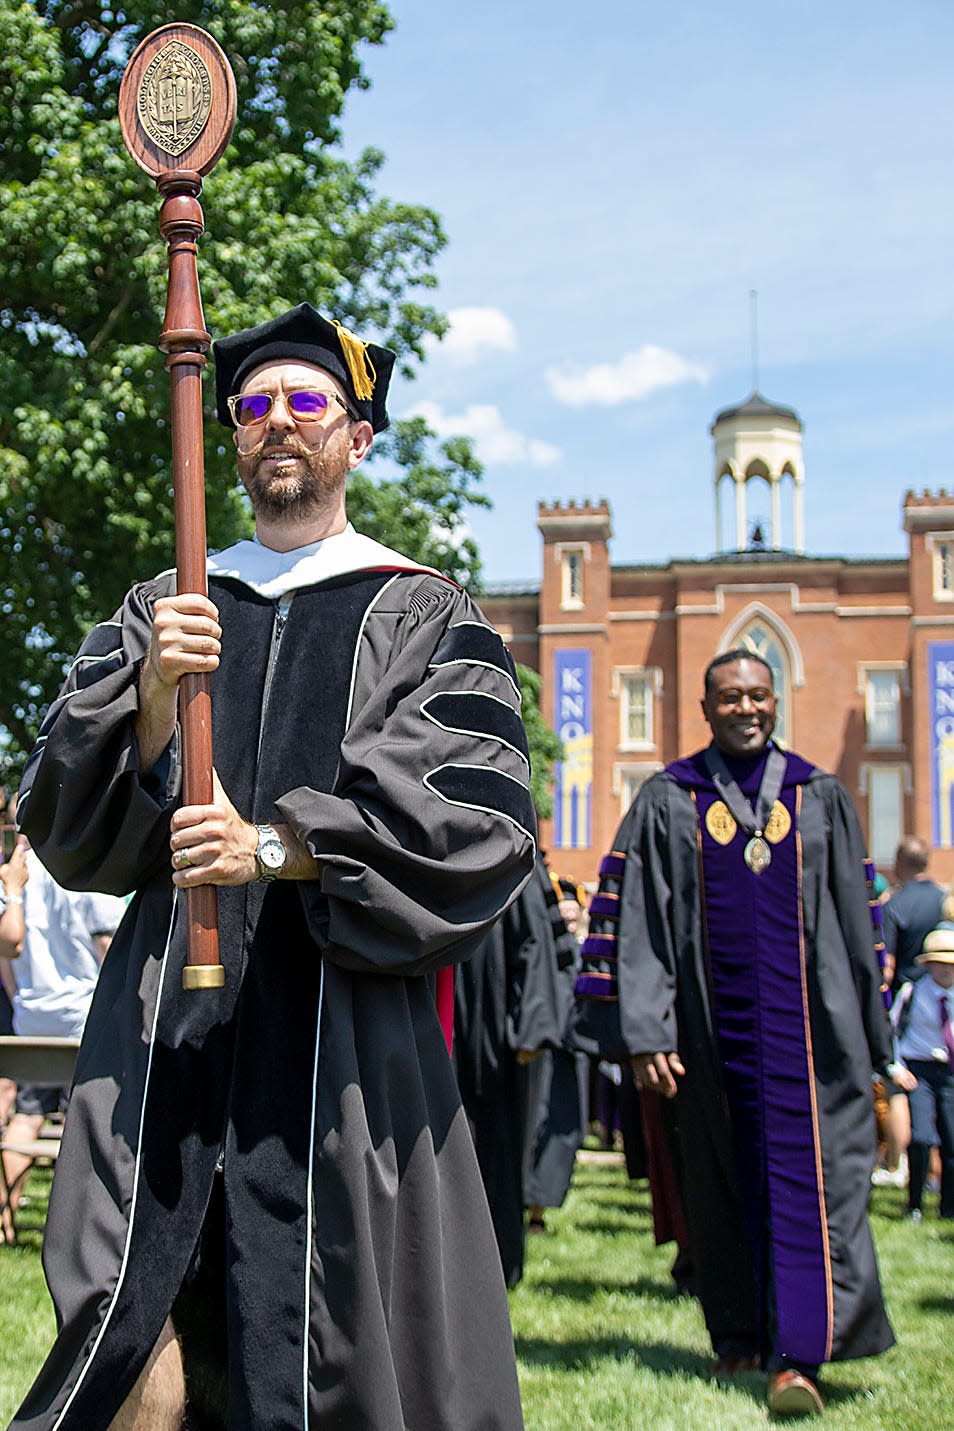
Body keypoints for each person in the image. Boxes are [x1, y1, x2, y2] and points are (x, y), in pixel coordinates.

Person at [13, 304, 535, 1431]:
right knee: (131, 1353)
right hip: (165, 1042)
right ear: (232, 438)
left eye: (308, 404)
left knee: (327, 1349)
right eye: (254, 406)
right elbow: (58, 815)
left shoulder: (423, 611)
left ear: (357, 437)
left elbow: (476, 823)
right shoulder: (168, 606)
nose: (278, 424)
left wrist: (278, 846)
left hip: (339, 1047)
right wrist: (152, 704)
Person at [573, 648, 895, 1418]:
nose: (746, 708)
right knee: (714, 1184)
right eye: (731, 698)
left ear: (776, 701)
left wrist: (878, 1044)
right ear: (707, 708)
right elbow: (637, 920)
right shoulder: (667, 798)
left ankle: (802, 1353)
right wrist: (644, 1031)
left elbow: (861, 927)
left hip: (812, 1042)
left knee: (813, 1186)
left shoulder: (820, 796)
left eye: (759, 696)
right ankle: (739, 1335)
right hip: (706, 1040)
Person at [454, 852, 576, 1285]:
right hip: (447, 1026)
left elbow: (538, 940)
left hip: (495, 1035)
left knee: (498, 1144)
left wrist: (533, 1026)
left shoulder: (508, 844)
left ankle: (501, 1262)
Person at [0, 835, 125, 1239]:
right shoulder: (85, 866)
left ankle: (6, 1217)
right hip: (82, 1020)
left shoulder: (16, 878)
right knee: (82, 1120)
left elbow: (6, 956)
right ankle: (77, 1229)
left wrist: (21, 1002)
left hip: (32, 1023)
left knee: (26, 1117)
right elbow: (108, 944)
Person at [893, 923, 954, 1222]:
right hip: (919, 1071)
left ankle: (948, 1207)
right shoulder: (913, 991)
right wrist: (896, 1066)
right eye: (938, 963)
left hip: (951, 1071)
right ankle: (914, 1203)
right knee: (921, 1137)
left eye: (949, 964)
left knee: (952, 1140)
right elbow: (890, 1030)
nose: (944, 970)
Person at [882, 837, 946, 992]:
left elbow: (887, 966)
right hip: (942, 996)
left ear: (898, 863)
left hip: (907, 998)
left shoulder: (894, 905)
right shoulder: (945, 901)